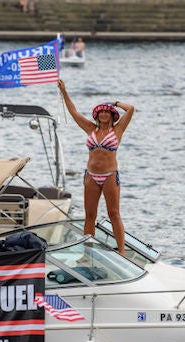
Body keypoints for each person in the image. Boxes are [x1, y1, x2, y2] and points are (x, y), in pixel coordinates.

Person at [57, 79, 134, 255]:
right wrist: (64, 91)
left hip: (109, 176)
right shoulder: (91, 129)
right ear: (97, 115)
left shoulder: (117, 130)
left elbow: (131, 109)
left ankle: (122, 252)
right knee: (90, 216)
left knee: (114, 214)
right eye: (101, 112)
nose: (104, 115)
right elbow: (73, 112)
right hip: (91, 176)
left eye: (107, 112)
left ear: (112, 115)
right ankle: (87, 254)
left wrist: (114, 103)